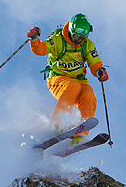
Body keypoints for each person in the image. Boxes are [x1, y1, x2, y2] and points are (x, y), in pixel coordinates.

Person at [27, 13, 109, 141]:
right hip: (58, 79)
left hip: (79, 80)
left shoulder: (87, 45)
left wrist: (100, 71)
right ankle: (58, 125)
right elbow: (42, 49)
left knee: (88, 94)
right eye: (77, 37)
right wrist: (34, 40)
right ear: (71, 32)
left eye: (83, 38)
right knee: (72, 86)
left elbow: (95, 62)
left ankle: (80, 134)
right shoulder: (58, 40)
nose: (79, 41)